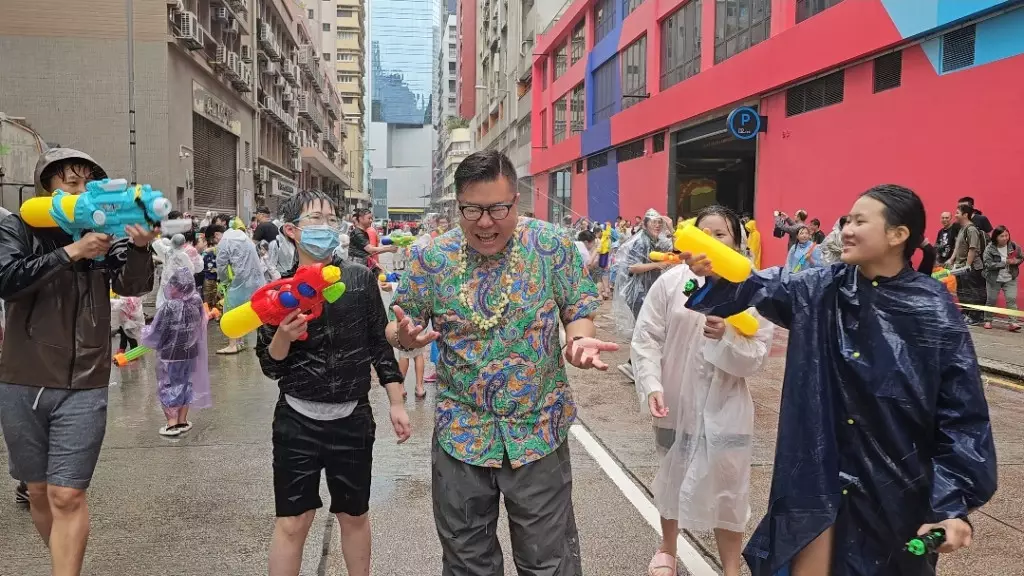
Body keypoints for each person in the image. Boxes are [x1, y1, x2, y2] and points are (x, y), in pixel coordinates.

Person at [681, 184, 997, 576]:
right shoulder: (819, 289)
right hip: (818, 476)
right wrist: (716, 270)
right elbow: (757, 287)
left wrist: (952, 504)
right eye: (847, 220)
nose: (846, 229)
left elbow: (962, 414)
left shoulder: (931, 309)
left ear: (898, 234)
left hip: (894, 487)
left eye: (860, 221)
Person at [388, 150, 616, 576]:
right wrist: (404, 337)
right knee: (467, 563)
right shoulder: (433, 258)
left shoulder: (550, 246)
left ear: (516, 200)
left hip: (538, 430)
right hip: (461, 434)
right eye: (472, 210)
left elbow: (579, 307)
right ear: (458, 205)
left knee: (548, 562)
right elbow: (400, 323)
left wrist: (580, 340)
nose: (485, 223)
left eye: (498, 209)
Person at [0, 148, 156, 576]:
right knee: (38, 491)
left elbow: (134, 285)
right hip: (23, 378)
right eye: (72, 182)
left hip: (86, 378)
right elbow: (7, 281)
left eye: (89, 183)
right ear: (47, 186)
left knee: (67, 495)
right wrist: (71, 251)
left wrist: (140, 247)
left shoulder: (104, 229)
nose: (82, 190)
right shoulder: (17, 227)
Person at [256, 191, 409, 576]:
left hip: (352, 418)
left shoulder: (359, 279)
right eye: (314, 219)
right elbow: (270, 366)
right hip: (296, 420)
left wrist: (396, 401)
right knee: (293, 522)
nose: (324, 227)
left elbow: (379, 345)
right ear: (291, 231)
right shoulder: (280, 292)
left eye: (329, 219)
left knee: (354, 516)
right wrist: (283, 336)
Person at [632, 206, 773, 576]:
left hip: (727, 406)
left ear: (737, 243)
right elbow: (647, 336)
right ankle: (667, 548)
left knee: (729, 487)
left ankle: (731, 568)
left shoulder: (751, 288)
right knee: (671, 476)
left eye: (720, 234)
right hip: (676, 400)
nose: (710, 240)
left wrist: (726, 337)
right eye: (703, 233)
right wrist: (652, 384)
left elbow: (757, 355)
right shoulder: (671, 282)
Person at [142, 267, 211, 437]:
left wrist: (144, 332)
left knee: (168, 386)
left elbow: (157, 332)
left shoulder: (169, 307)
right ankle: (182, 420)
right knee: (186, 384)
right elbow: (200, 326)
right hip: (190, 353)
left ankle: (172, 424)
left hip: (169, 356)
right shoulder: (196, 302)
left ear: (176, 287)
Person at [611, 209, 675, 380]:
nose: (657, 225)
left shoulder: (657, 240)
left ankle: (634, 365)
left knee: (649, 329)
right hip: (637, 293)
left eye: (659, 223)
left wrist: (671, 228)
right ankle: (633, 366)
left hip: (649, 291)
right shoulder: (641, 241)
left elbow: (676, 249)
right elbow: (632, 267)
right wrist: (657, 265)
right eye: (653, 222)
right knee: (646, 329)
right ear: (645, 224)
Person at [216, 221, 266, 354]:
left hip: (241, 281)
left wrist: (224, 282)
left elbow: (221, 266)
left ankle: (233, 344)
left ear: (216, 235)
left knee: (230, 310)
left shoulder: (224, 242)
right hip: (257, 280)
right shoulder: (244, 237)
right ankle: (256, 342)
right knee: (257, 309)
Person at [949, 202, 987, 325]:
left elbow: (972, 249)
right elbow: (957, 247)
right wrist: (952, 259)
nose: (955, 215)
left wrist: (967, 265)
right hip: (960, 267)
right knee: (962, 291)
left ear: (965, 215)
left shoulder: (971, 229)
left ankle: (975, 316)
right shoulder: (962, 229)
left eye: (957, 213)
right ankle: (966, 312)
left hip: (971, 268)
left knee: (972, 292)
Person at [982, 225, 1022, 331]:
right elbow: (988, 264)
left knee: (1011, 299)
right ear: (996, 237)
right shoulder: (989, 249)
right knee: (991, 299)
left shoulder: (1013, 246)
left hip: (1010, 277)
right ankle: (988, 320)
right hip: (993, 278)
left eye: (1006, 235)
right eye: (1002, 236)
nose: (1005, 238)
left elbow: (1020, 257)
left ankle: (1013, 322)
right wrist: (1004, 263)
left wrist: (1016, 261)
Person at [349, 208, 396, 276]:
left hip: (362, 266)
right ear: (361, 219)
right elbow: (370, 249)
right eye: (369, 218)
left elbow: (371, 251)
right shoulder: (357, 233)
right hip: (357, 268)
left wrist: (389, 249)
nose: (371, 220)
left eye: (371, 218)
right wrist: (389, 249)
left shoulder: (364, 232)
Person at [201, 224, 225, 310]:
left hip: (218, 280)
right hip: (208, 278)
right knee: (207, 299)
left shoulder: (223, 245)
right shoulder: (206, 253)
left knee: (217, 299)